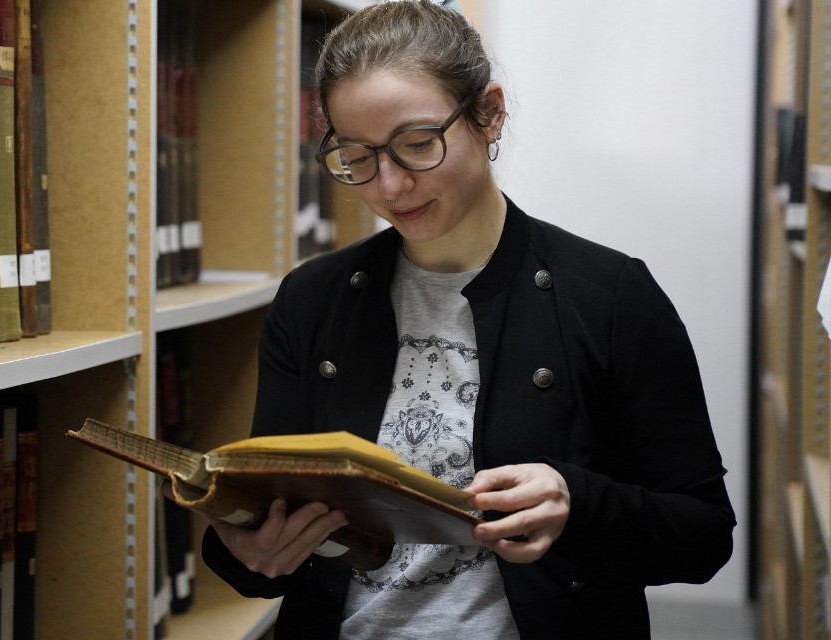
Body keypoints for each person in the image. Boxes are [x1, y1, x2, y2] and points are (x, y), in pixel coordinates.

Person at [199, 2, 736, 638]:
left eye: (418, 144)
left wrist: (578, 502)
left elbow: (702, 535)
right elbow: (272, 530)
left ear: (489, 113)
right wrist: (247, 554)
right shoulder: (311, 299)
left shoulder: (610, 296)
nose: (391, 186)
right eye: (358, 157)